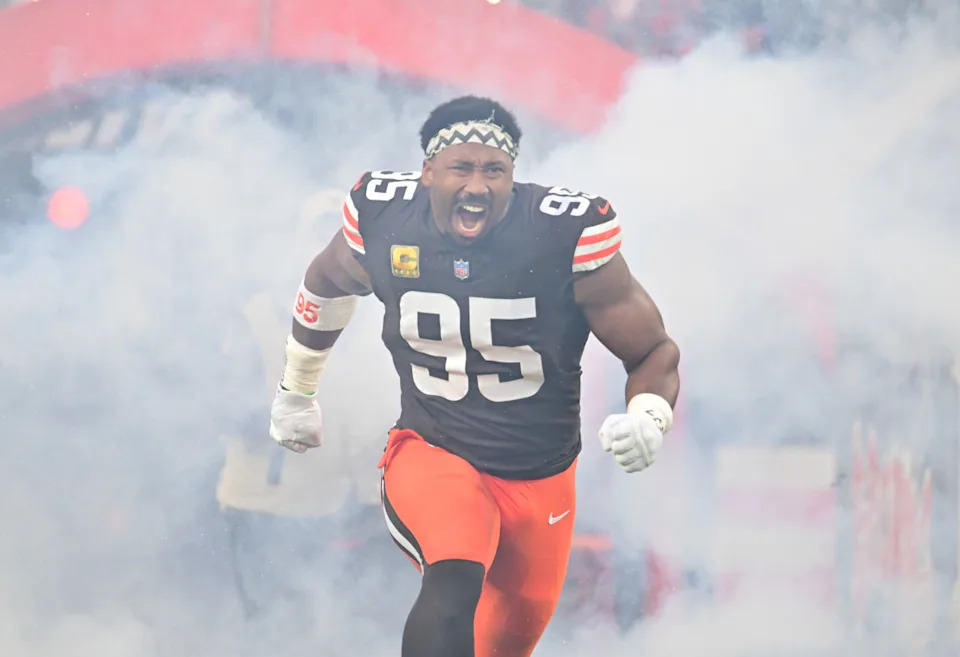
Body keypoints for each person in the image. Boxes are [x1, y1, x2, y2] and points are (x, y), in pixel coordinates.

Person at [267, 95, 681, 657]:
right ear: (428, 173)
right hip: (433, 450)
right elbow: (326, 284)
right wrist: (297, 389)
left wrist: (649, 415)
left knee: (505, 641)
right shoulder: (387, 218)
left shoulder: (561, 234)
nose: (477, 186)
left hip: (540, 477)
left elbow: (651, 349)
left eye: (494, 171)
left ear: (513, 175)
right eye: (461, 168)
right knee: (454, 575)